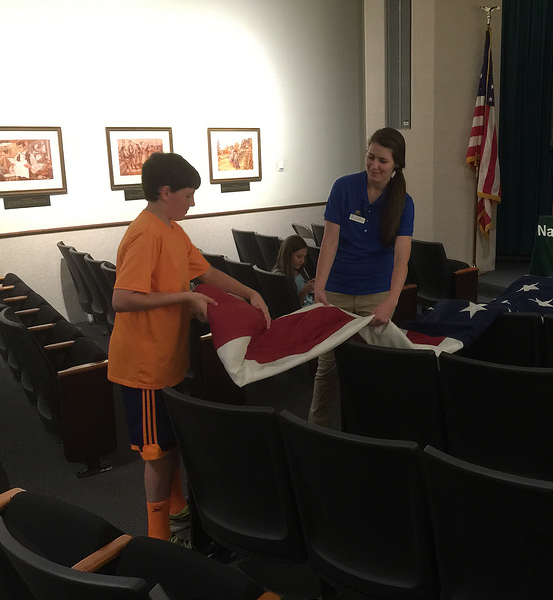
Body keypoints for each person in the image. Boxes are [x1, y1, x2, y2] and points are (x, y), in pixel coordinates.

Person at [108, 152, 270, 543]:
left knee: (169, 442)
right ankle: (158, 534)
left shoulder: (172, 229)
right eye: (188, 194)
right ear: (166, 192)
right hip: (144, 364)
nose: (193, 202)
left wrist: (250, 292)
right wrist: (184, 299)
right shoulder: (147, 232)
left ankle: (177, 506)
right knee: (156, 453)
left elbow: (206, 272)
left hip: (167, 358)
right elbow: (123, 298)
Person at [310, 127, 414, 426]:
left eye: (383, 160)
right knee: (327, 367)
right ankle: (317, 431)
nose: (374, 166)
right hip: (338, 291)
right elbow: (329, 241)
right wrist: (320, 286)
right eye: (371, 157)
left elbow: (401, 260)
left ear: (396, 165)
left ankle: (375, 430)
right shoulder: (343, 188)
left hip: (376, 295)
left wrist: (391, 301)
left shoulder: (403, 203)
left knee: (378, 368)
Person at [272, 234, 315, 307]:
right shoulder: (279, 275)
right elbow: (290, 307)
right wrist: (304, 291)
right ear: (288, 255)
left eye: (304, 257)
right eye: (299, 257)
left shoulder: (301, 270)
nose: (302, 261)